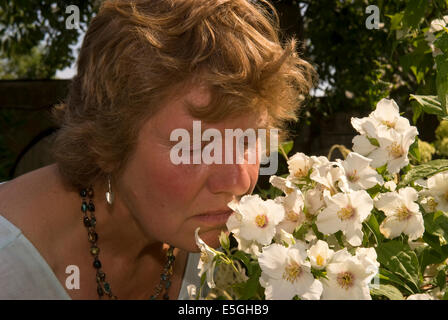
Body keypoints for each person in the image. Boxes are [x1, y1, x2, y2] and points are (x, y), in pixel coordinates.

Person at [0, 0, 315, 299]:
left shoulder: (210, 247)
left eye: (248, 139)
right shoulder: (9, 264)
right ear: (108, 142)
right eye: (196, 145)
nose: (238, 181)